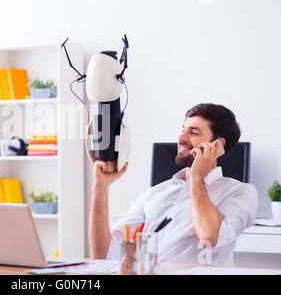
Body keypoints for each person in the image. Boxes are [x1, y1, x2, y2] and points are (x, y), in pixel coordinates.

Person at [89, 103, 258, 266]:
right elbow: (103, 255)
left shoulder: (240, 192)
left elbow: (208, 237)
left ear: (218, 145)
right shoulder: (154, 193)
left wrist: (197, 177)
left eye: (193, 132)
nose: (181, 138)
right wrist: (101, 186)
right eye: (182, 130)